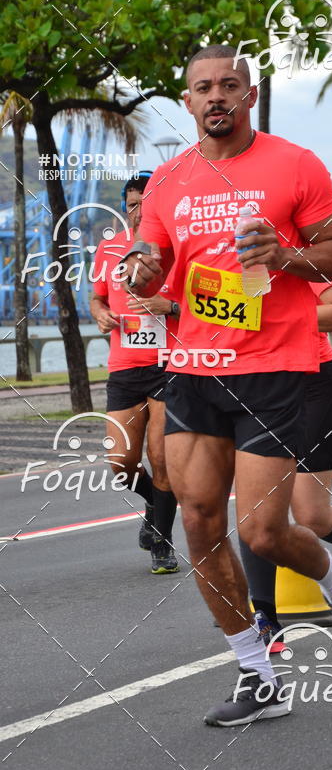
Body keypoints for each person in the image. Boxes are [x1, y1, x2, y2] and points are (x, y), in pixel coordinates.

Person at [122, 44, 332, 727]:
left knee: (263, 531)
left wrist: (286, 253)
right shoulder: (169, 181)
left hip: (274, 371)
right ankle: (257, 674)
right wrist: (140, 273)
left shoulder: (294, 164)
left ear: (250, 95)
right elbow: (153, 258)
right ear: (187, 101)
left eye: (229, 85)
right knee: (201, 523)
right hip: (194, 374)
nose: (216, 96)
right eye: (203, 86)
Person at [239, 279, 332, 651]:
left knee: (310, 515)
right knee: (256, 510)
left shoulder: (299, 253)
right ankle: (266, 619)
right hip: (253, 385)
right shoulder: (216, 251)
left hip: (313, 385)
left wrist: (269, 316)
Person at [90, 171, 180, 574]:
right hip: (124, 367)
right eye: (132, 204)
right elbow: (95, 298)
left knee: (162, 460)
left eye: (147, 201)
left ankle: (162, 541)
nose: (139, 210)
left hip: (169, 365)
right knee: (120, 463)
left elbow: (203, 302)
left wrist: (170, 307)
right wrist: (101, 314)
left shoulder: (177, 249)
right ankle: (152, 503)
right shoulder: (109, 249)